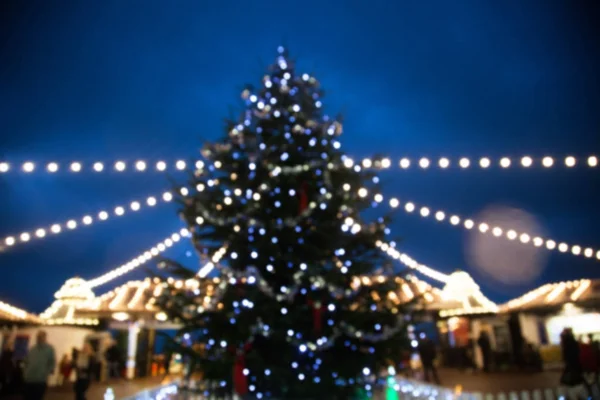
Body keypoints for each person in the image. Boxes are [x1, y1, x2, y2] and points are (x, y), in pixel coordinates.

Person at [22, 330, 56, 400]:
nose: (39, 338)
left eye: (41, 336)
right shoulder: (32, 349)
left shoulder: (49, 349)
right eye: (38, 336)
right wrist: (25, 373)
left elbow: (52, 362)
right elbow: (26, 361)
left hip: (40, 380)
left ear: (45, 337)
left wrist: (46, 373)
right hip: (28, 379)